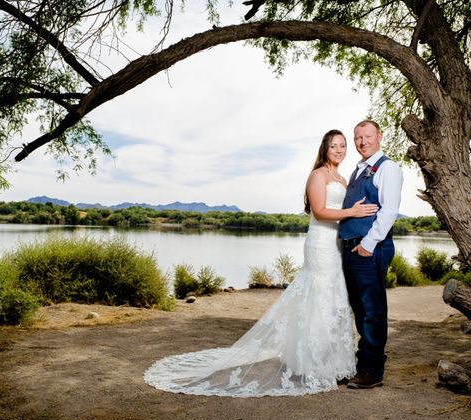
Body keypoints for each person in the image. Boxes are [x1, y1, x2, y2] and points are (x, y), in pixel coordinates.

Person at [143, 130, 378, 397]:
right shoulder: (319, 175)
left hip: (336, 244)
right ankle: (312, 364)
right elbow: (320, 212)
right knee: (319, 294)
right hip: (320, 243)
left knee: (333, 296)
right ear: (324, 149)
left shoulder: (341, 178)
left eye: (343, 145)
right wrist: (352, 211)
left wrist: (357, 213)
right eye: (334, 145)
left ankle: (332, 363)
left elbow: (342, 210)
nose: (339, 149)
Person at [339, 120, 403, 389]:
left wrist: (369, 243)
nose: (362, 142)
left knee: (372, 310)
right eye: (357, 138)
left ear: (379, 136)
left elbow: (389, 212)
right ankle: (362, 361)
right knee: (358, 306)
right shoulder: (358, 171)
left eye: (367, 136)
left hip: (370, 248)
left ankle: (373, 370)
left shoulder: (388, 168)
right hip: (351, 246)